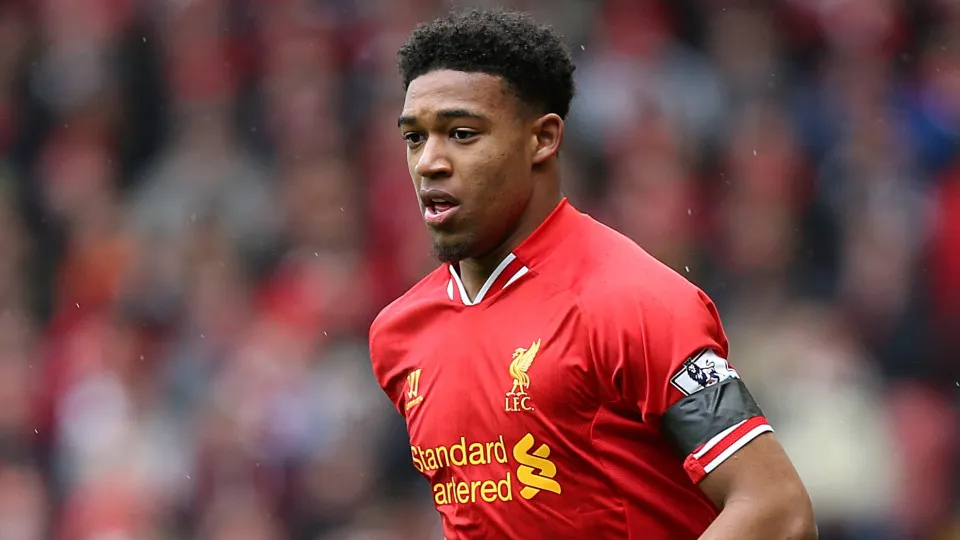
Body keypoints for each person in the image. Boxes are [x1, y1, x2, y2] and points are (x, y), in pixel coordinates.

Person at [368, 7, 817, 540]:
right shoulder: (399, 336)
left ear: (542, 139)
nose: (429, 162)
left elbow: (776, 509)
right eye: (414, 138)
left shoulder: (638, 303)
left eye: (462, 134)